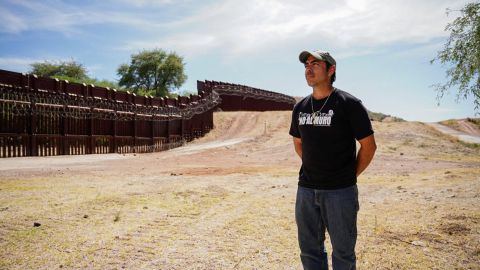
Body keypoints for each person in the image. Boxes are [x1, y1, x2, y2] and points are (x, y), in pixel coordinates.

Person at [289, 50, 377, 270]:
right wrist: (313, 166)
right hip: (307, 190)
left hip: (340, 192)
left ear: (331, 69)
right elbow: (298, 143)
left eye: (315, 64)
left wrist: (349, 175)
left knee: (344, 254)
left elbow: (369, 146)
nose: (308, 68)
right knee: (309, 251)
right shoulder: (300, 107)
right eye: (306, 64)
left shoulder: (348, 103)